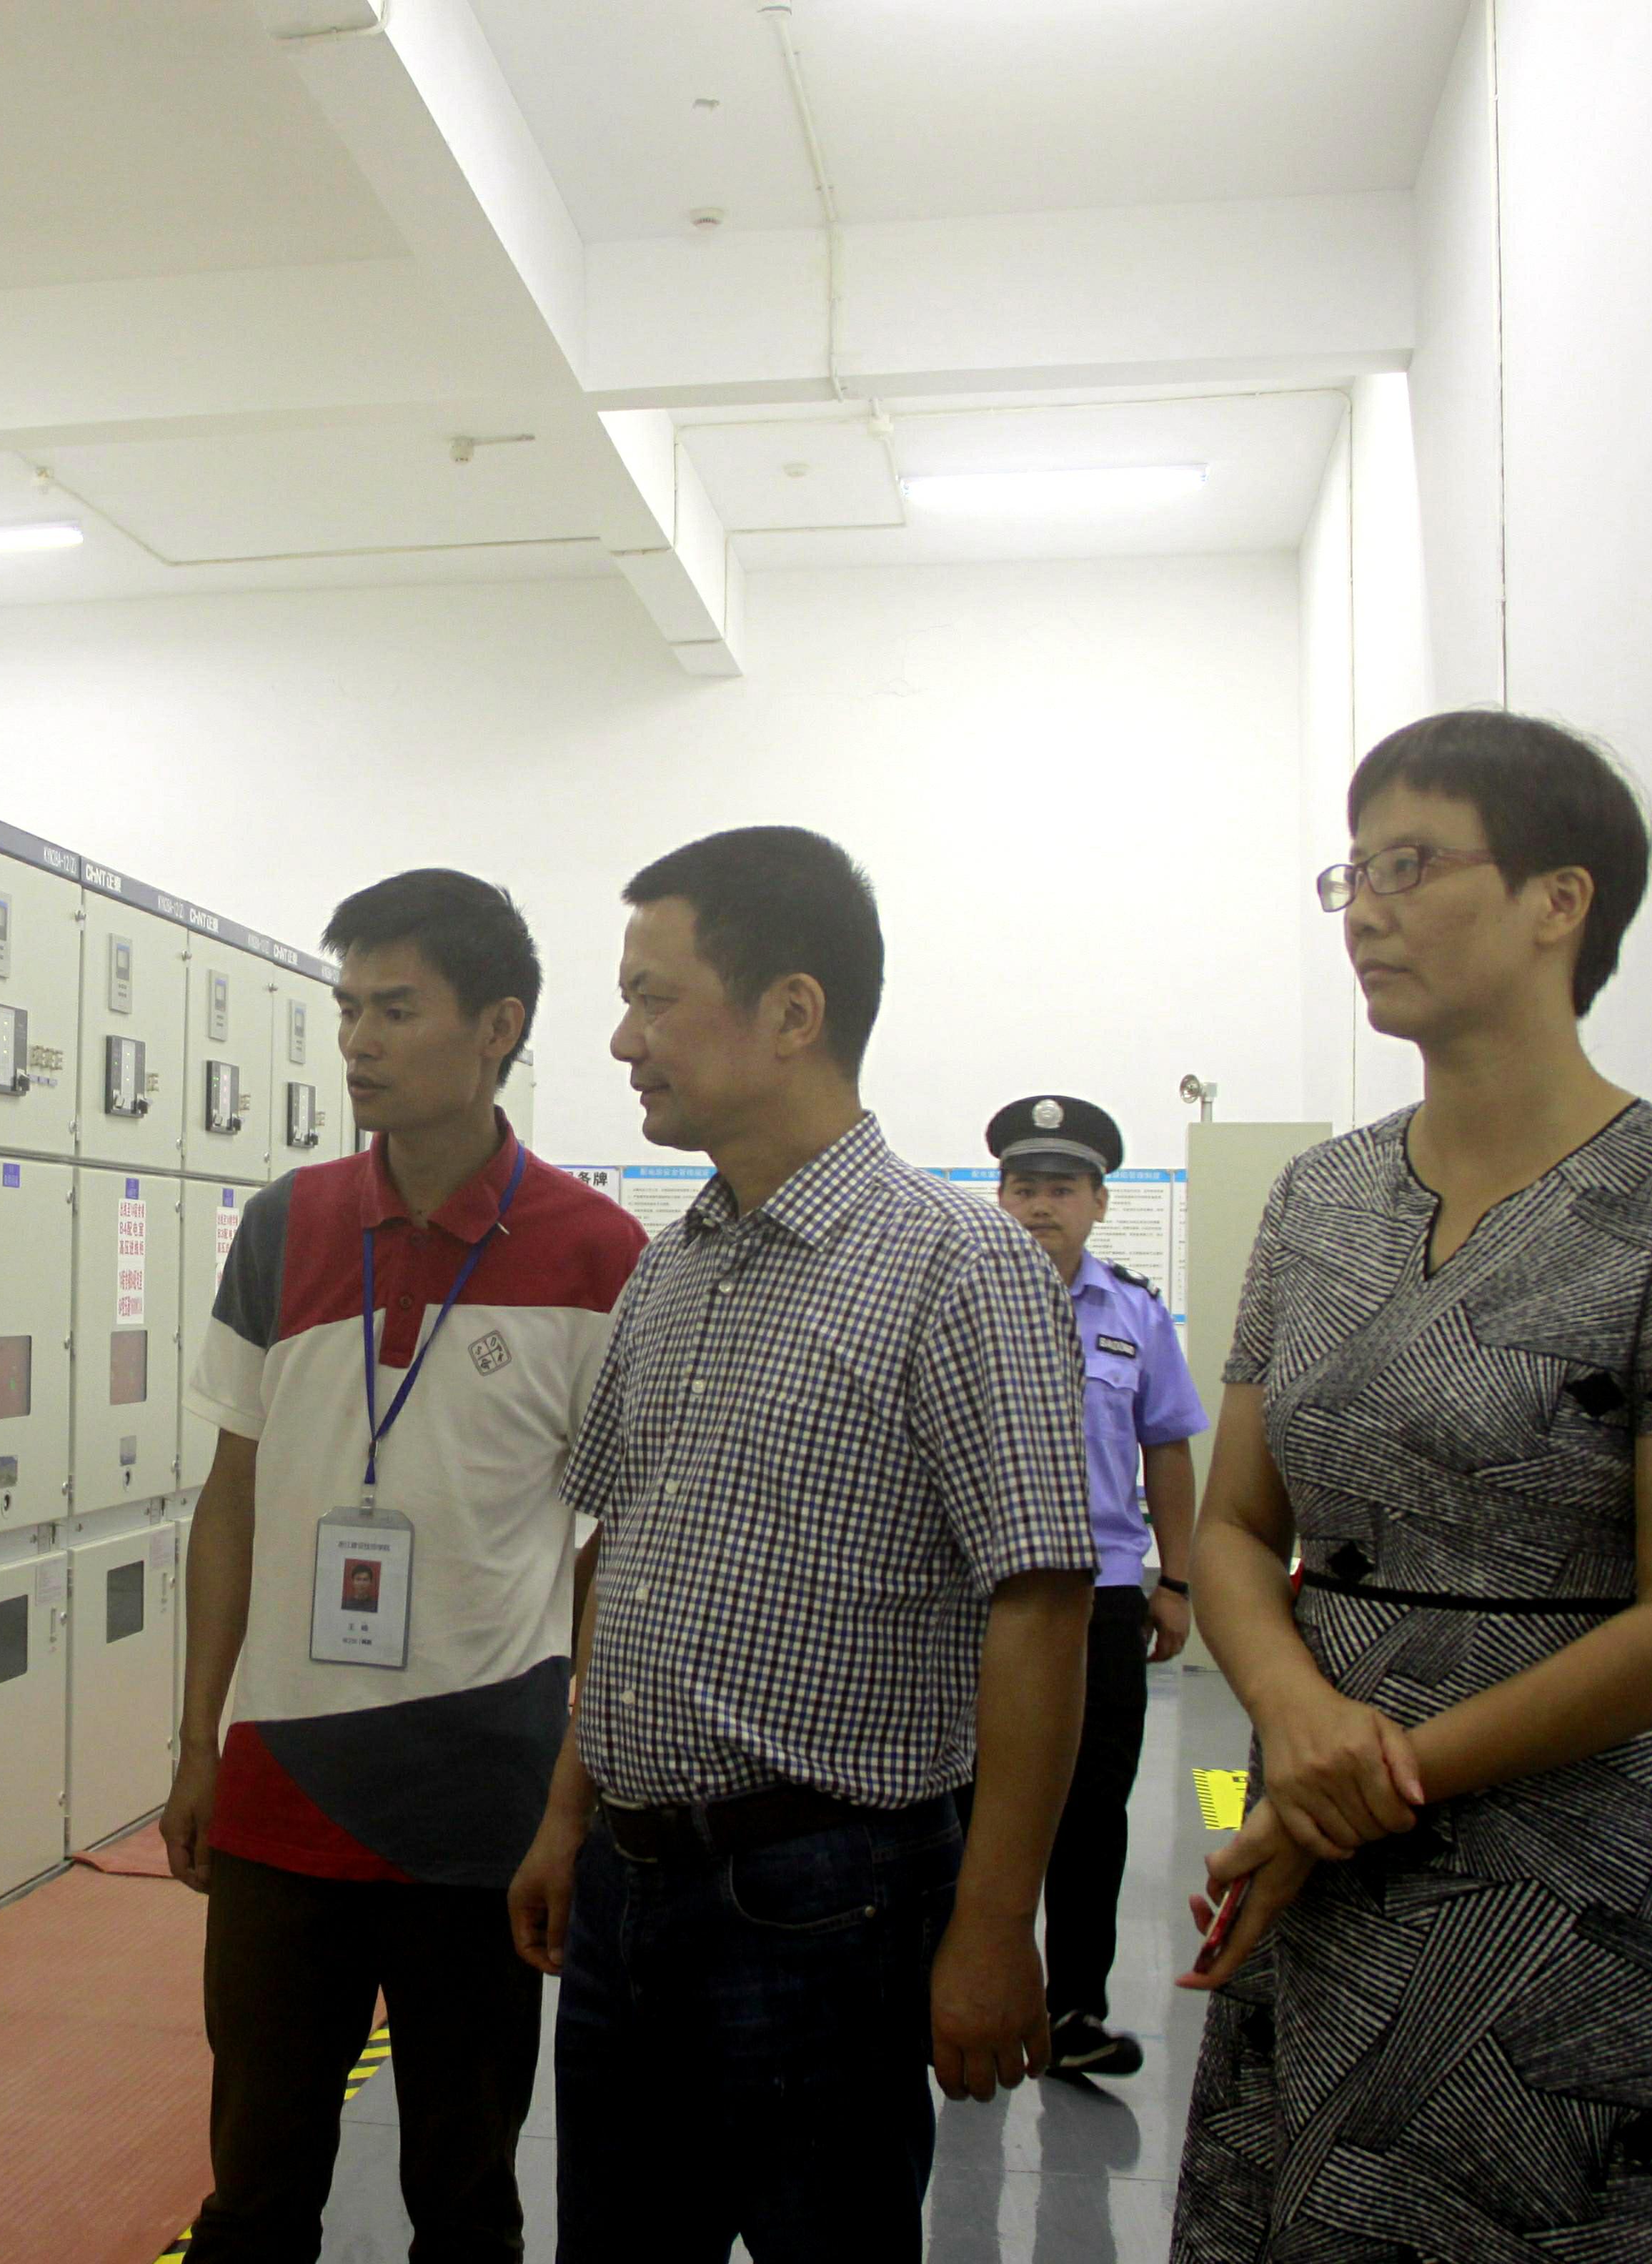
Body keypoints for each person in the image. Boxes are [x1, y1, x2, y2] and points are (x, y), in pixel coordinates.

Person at [1173, 712, 1652, 2264]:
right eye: (1353, 874)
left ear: (1558, 902)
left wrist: (1370, 1783)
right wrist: (1300, 1728)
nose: (1367, 911)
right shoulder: (1321, 1201)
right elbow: (1238, 1526)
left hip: (1559, 1879)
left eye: (1411, 864)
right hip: (1315, 1836)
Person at [508, 825, 1097, 2261]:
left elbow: (1040, 1608)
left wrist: (994, 1926)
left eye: (653, 998)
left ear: (790, 1011)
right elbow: (621, 1553)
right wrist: (571, 1815)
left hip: (826, 1902)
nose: (623, 1040)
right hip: (627, 1885)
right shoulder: (674, 1266)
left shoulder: (961, 1268)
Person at [166, 868, 644, 2264]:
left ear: (499, 1027)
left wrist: (575, 1799)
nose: (358, 1043)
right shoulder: (287, 1226)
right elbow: (233, 1496)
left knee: (466, 2199)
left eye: (396, 1009)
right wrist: (194, 1741)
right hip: (282, 1787)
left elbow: (619, 1546)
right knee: (254, 2195)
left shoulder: (599, 1253)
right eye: (347, 1010)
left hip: (485, 1801)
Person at [984, 1093, 1207, 2080]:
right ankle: (951, 1997)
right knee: (959, 1803)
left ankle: (1072, 2010)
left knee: (1091, 1807)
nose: (1042, 1205)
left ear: (1099, 1202)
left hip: (1103, 1595)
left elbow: (1168, 1450)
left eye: (1063, 1188)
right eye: (1024, 1186)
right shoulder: (962, 1299)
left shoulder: (1135, 1315)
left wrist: (1178, 1582)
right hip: (983, 1594)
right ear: (1000, 1196)